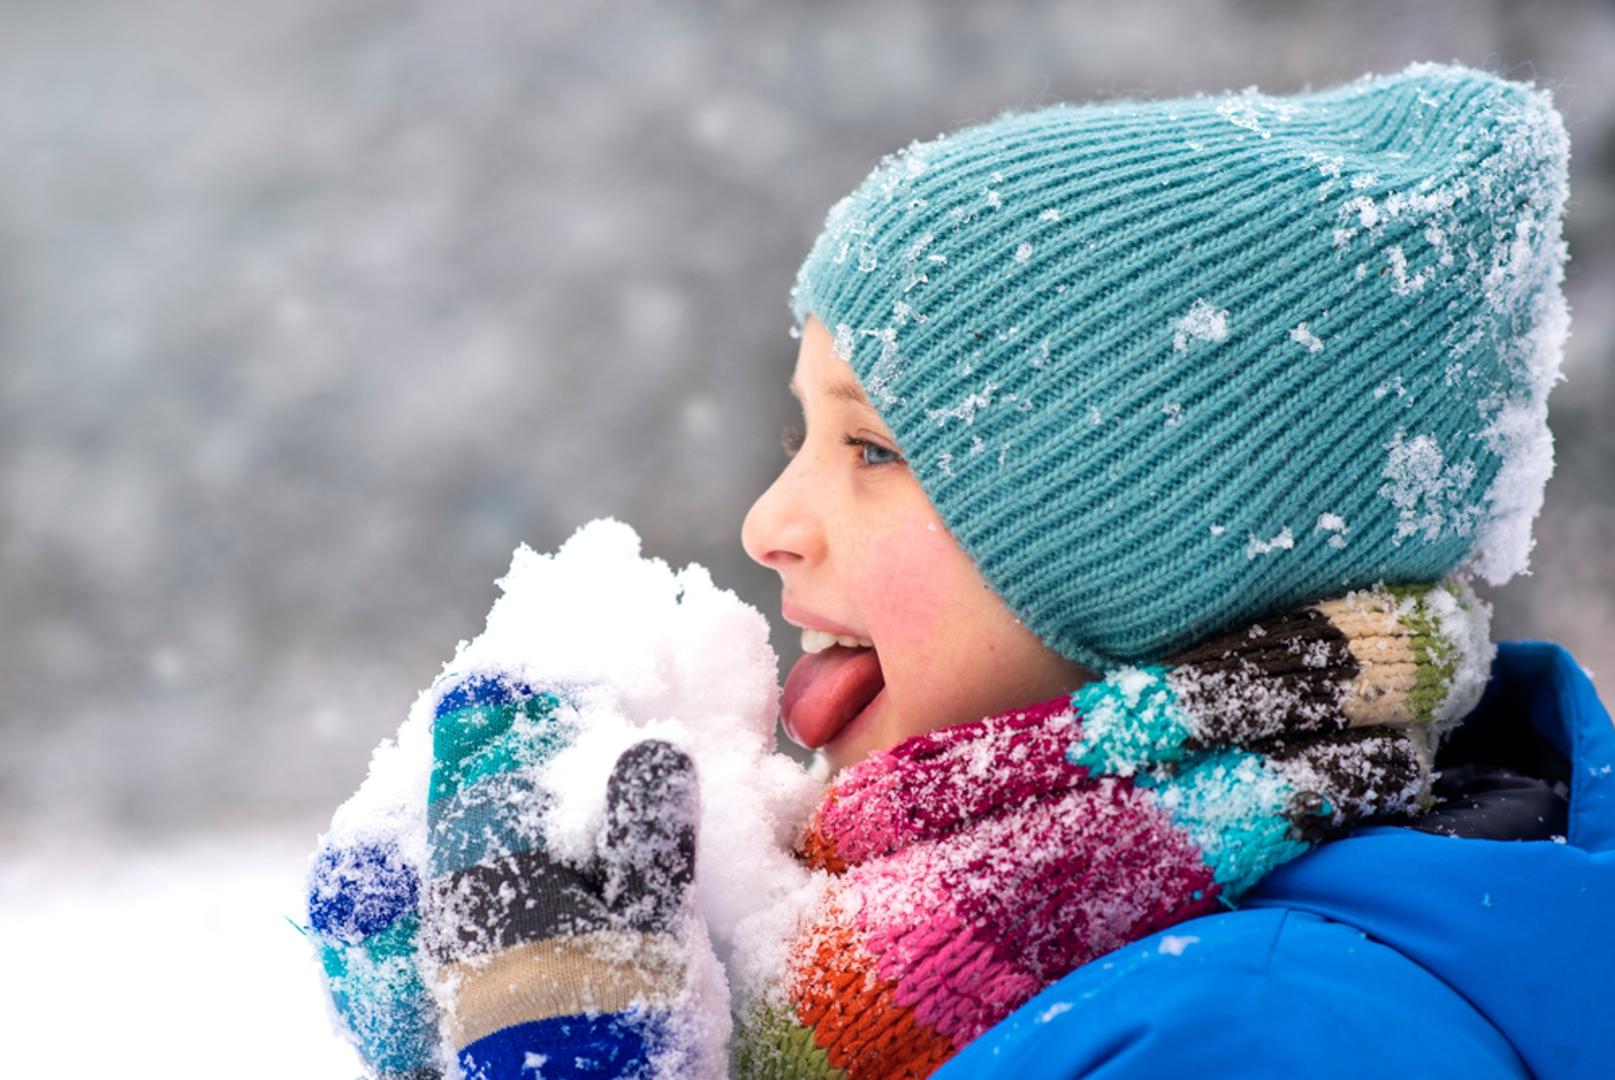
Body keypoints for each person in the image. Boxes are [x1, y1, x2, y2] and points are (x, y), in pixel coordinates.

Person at [307, 61, 1615, 1079]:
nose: (770, 522)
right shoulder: (1033, 964)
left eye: (872, 449)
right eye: (797, 437)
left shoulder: (1253, 1034)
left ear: (1158, 545)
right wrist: (520, 986)